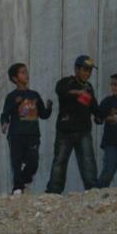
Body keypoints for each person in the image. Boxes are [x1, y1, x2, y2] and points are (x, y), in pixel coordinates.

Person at [45, 55, 103, 194]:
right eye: (85, 69)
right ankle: (53, 192)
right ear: (76, 69)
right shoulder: (66, 82)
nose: (87, 73)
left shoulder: (89, 87)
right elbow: (60, 91)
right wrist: (77, 92)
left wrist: (99, 116)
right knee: (60, 161)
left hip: (84, 130)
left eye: (89, 71)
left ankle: (92, 191)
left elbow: (93, 106)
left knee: (88, 162)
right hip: (65, 130)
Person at [0, 62, 53, 195]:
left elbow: (43, 115)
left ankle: (24, 181)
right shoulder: (12, 97)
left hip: (33, 135)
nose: (26, 74)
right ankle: (17, 188)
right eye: (22, 72)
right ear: (15, 78)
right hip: (16, 135)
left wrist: (49, 107)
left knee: (33, 162)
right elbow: (5, 114)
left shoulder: (34, 95)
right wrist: (5, 123)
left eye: (26, 72)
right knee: (16, 161)